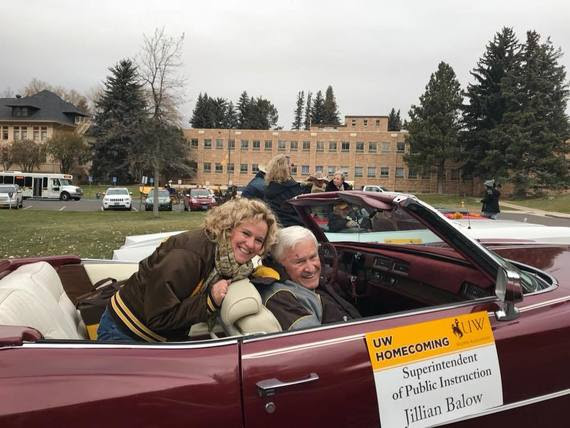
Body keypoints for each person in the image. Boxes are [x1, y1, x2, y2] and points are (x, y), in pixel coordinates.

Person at [97, 198, 279, 342]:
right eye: (246, 233)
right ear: (228, 228)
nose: (251, 244)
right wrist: (209, 301)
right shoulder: (186, 257)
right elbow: (158, 318)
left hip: (159, 336)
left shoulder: (229, 260)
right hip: (125, 333)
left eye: (259, 240)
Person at [256, 226, 360, 331]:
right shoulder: (280, 297)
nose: (310, 269)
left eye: (313, 257)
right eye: (300, 262)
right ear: (278, 263)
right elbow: (316, 341)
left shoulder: (306, 281)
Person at [263, 154, 311, 227]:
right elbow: (304, 210)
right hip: (294, 227)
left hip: (275, 227)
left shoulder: (268, 188)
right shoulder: (293, 188)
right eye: (290, 165)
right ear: (286, 168)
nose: (292, 167)